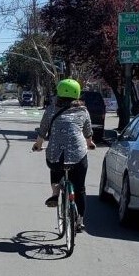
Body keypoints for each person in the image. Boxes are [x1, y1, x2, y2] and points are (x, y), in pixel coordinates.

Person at [32, 78, 96, 230]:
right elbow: (88, 132)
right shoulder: (83, 111)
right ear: (77, 93)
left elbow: (43, 131)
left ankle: (55, 194)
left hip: (56, 155)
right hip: (78, 156)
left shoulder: (51, 109)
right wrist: (90, 144)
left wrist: (38, 145)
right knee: (80, 188)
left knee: (55, 165)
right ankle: (80, 220)